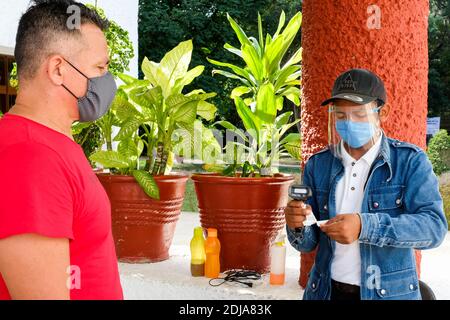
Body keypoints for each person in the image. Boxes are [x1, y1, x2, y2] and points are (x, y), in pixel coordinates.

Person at [285, 68, 448, 300]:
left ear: (383, 113)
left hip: (387, 294)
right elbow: (307, 244)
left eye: (360, 114)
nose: (349, 122)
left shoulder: (410, 161)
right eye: (340, 115)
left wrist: (365, 226)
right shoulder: (319, 164)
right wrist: (297, 225)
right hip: (325, 291)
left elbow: (434, 228)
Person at [0, 0, 122, 300]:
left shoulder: (48, 144)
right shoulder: (29, 156)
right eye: (100, 67)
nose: (107, 80)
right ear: (58, 69)